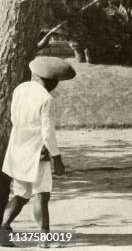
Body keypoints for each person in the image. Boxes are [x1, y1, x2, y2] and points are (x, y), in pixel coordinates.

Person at [0, 56, 76, 236]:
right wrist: (57, 159)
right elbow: (48, 133)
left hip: (18, 149)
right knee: (42, 194)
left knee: (22, 193)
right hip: (36, 153)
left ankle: (3, 227)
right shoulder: (46, 99)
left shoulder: (20, 89)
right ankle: (44, 236)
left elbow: (13, 118)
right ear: (51, 81)